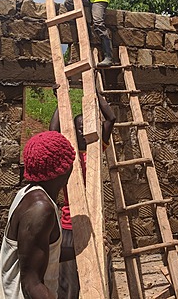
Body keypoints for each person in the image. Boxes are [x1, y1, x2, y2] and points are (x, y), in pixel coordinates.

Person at [49, 90, 116, 299]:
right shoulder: (67, 154)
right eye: (78, 128)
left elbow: (111, 118)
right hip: (70, 225)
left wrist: (96, 95)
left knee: (101, 276)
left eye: (85, 127)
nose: (82, 132)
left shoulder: (96, 151)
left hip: (94, 224)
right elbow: (53, 130)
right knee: (68, 282)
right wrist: (62, 101)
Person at [0, 131, 76, 299]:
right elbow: (31, 284)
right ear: (63, 169)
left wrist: (82, 249)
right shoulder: (41, 209)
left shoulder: (28, 194)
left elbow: (45, 253)